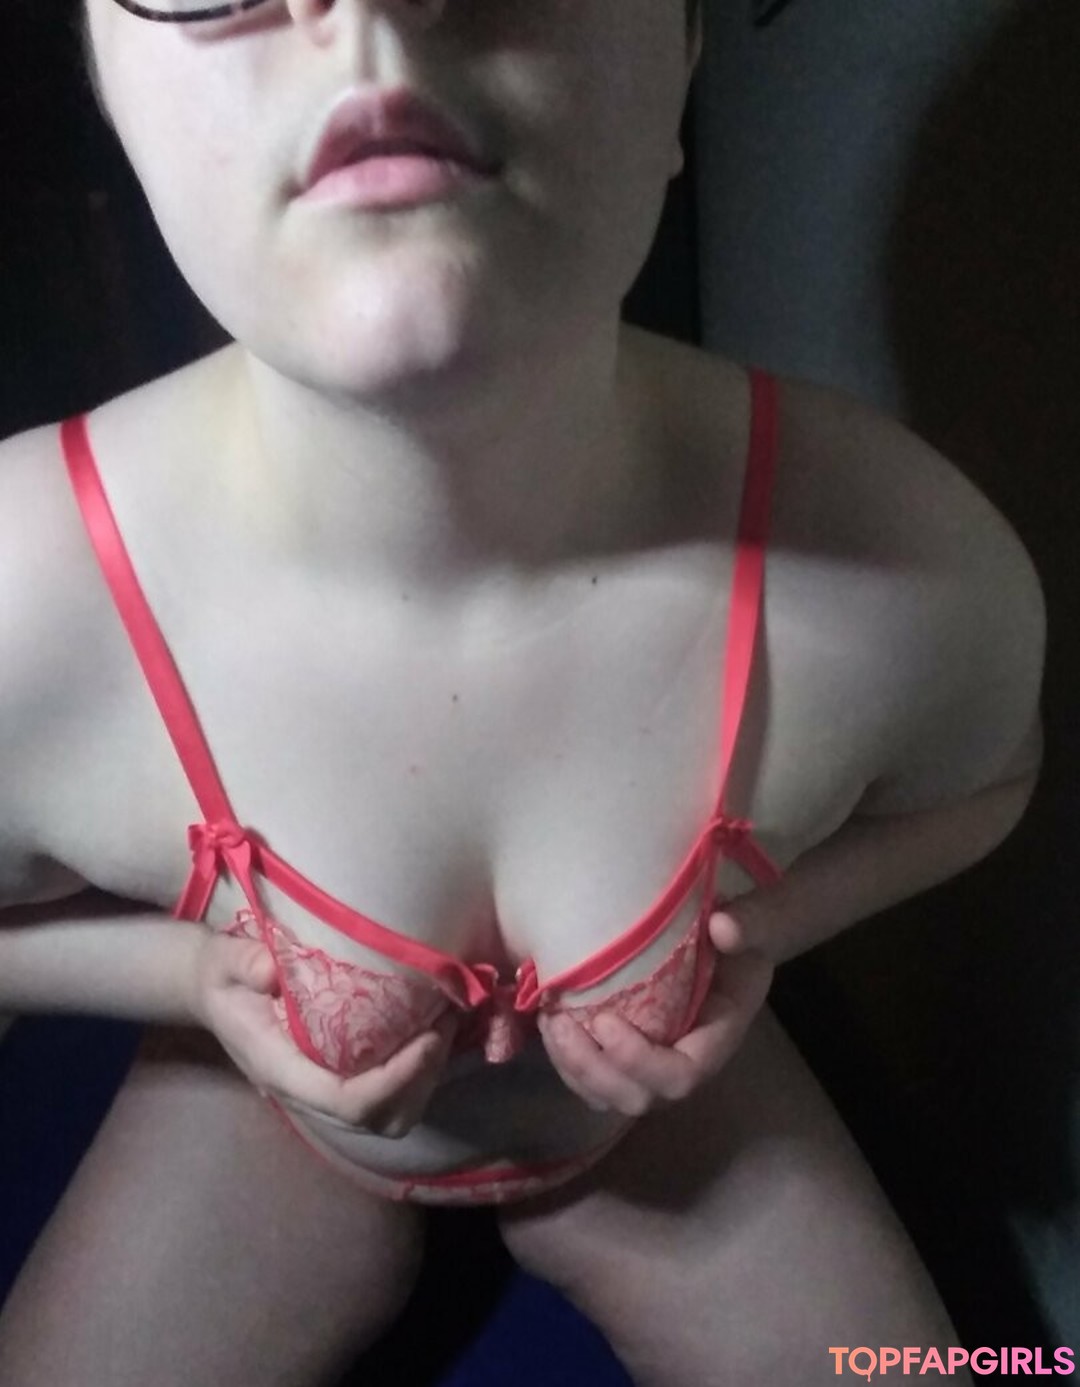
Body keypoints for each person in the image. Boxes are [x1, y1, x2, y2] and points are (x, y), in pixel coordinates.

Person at [0, 0, 1045, 1382]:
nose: (372, 13)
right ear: (105, 94)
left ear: (683, 58)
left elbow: (996, 778)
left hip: (660, 1135)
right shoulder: (27, 602)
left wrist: (772, 930)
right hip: (266, 1128)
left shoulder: (908, 574)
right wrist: (186, 978)